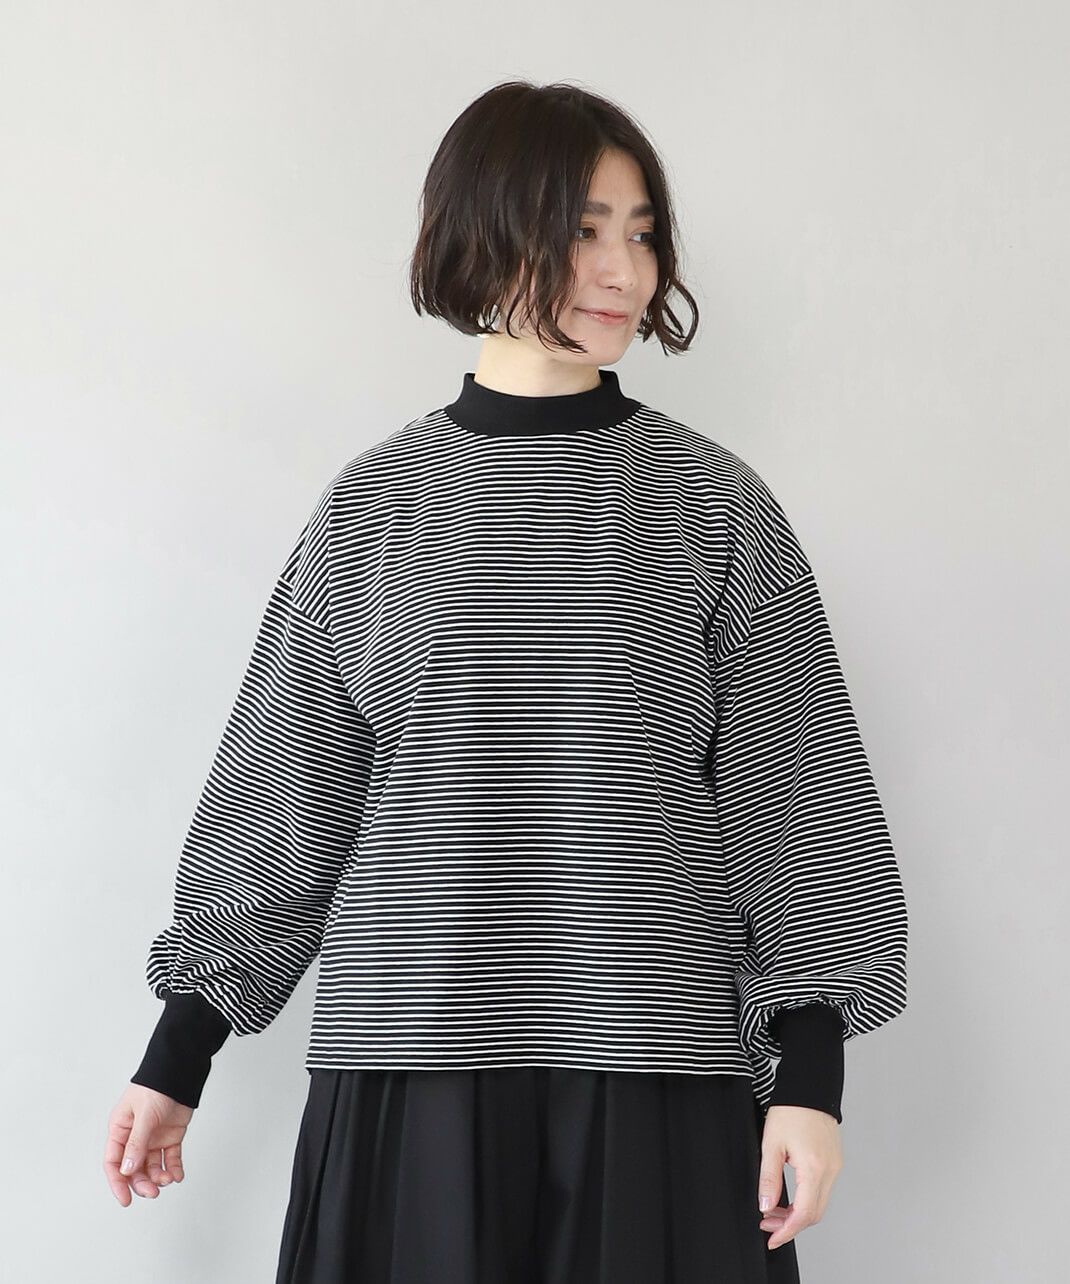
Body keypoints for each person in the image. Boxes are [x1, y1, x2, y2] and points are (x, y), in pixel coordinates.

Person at [103, 80, 908, 1283]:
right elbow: (283, 800)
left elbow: (796, 799)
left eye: (642, 234)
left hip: (656, 1062)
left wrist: (811, 1078)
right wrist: (177, 1060)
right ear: (486, 229)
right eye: (583, 229)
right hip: (407, 1062)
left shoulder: (712, 504)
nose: (623, 270)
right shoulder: (372, 506)